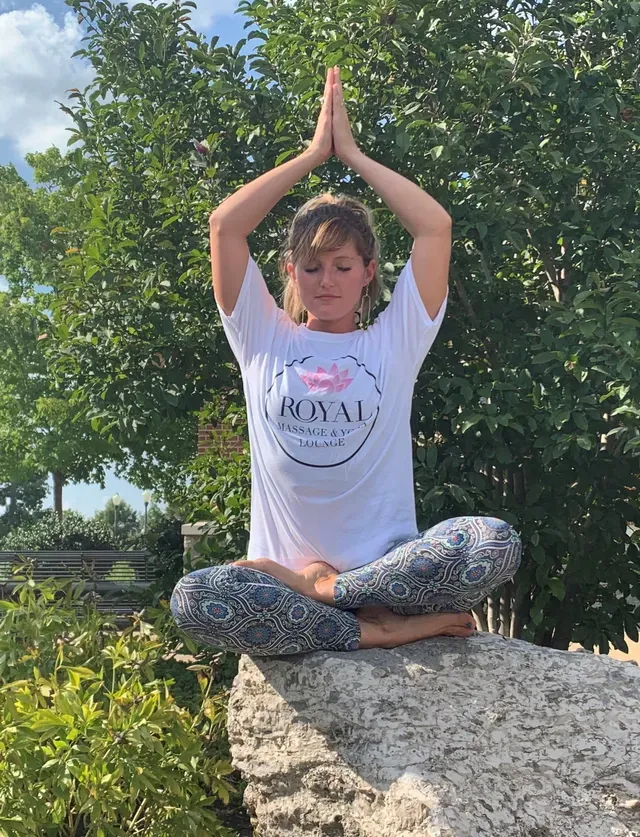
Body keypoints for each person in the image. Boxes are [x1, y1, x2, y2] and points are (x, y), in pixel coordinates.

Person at [170, 66, 521, 655]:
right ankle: (371, 630)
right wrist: (313, 155)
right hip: (282, 591)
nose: (326, 281)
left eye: (341, 266)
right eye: (310, 266)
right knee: (195, 599)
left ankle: (336, 593)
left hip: (386, 577)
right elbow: (226, 226)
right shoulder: (261, 337)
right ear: (290, 273)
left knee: (494, 543)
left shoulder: (392, 342)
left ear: (366, 274)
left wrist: (352, 154)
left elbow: (435, 227)